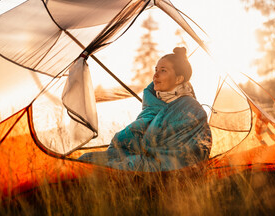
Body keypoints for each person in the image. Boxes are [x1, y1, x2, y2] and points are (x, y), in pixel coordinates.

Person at [79, 47, 212, 171]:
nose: (155, 75)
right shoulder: (152, 103)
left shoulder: (191, 109)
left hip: (166, 166)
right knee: (84, 161)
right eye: (156, 70)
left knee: (106, 169)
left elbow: (181, 153)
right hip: (137, 156)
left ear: (179, 79)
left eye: (163, 70)